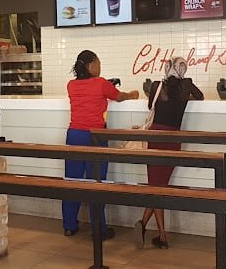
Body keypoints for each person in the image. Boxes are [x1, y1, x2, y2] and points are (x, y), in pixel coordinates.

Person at [63, 50, 139, 239]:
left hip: (74, 135)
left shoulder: (71, 85)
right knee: (97, 183)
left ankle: (69, 225)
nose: (100, 67)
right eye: (98, 63)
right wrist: (132, 94)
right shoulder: (101, 83)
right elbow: (119, 96)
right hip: (95, 136)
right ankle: (99, 229)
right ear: (90, 66)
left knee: (72, 181)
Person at [134, 56, 204, 249]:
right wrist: (184, 97)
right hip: (173, 140)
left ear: (166, 68)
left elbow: (151, 106)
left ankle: (151, 229)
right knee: (160, 186)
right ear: (183, 70)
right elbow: (201, 97)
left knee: (155, 187)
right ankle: (159, 234)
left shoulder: (156, 86)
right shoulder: (187, 86)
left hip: (156, 137)